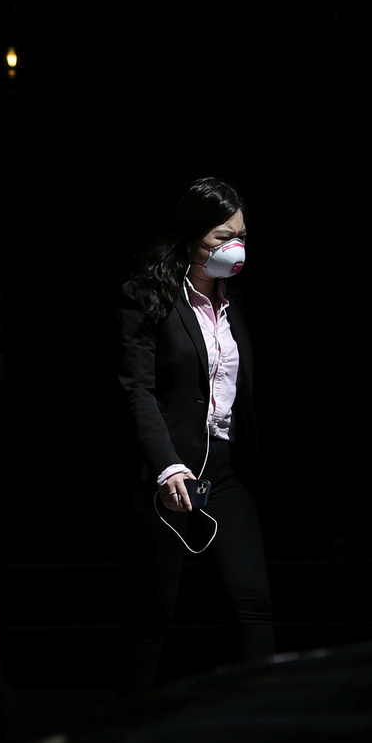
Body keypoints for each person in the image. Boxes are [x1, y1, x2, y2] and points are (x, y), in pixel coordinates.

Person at [115, 176, 273, 693]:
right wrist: (166, 466)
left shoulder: (237, 302)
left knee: (252, 599)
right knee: (154, 610)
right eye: (222, 237)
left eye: (241, 236)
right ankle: (128, 720)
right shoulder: (148, 297)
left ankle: (264, 712)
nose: (235, 247)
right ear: (191, 236)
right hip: (170, 471)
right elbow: (138, 391)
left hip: (226, 469)